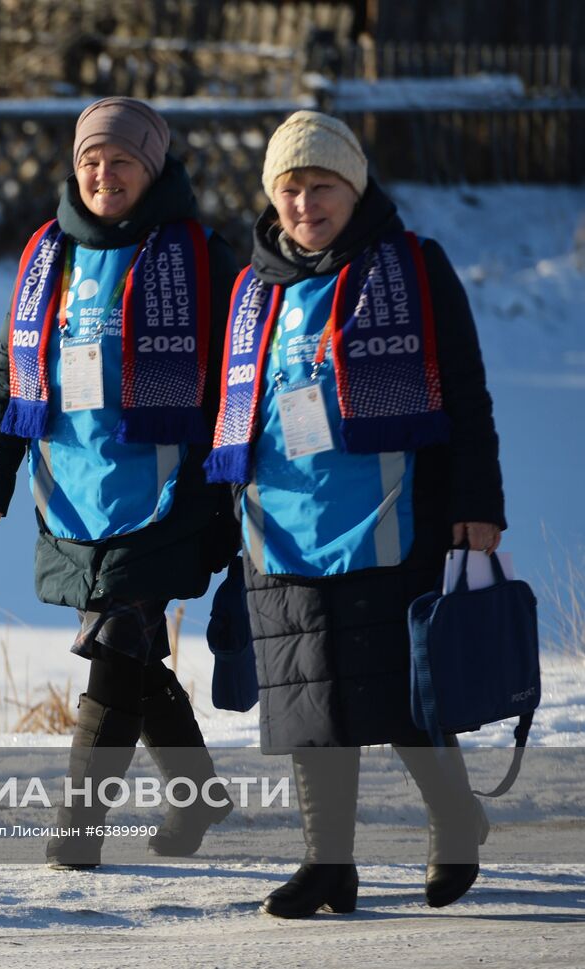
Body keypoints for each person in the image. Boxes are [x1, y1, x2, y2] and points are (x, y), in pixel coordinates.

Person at [205, 110, 505, 917]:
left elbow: (466, 392)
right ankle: (327, 863)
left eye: (322, 186)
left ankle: (455, 820)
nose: (305, 203)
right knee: (309, 703)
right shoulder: (252, 288)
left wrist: (478, 503)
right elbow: (231, 412)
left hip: (389, 514)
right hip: (280, 527)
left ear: (355, 187)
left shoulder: (412, 265)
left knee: (402, 692)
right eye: (290, 188)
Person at [0, 97, 241, 868]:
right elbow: (11, 371)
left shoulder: (203, 256)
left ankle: (76, 832)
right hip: (74, 491)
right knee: (134, 652)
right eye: (91, 160)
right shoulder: (48, 256)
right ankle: (199, 795)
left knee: (118, 643)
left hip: (168, 488)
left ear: (152, 170)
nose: (103, 175)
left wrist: (243, 484)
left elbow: (244, 375)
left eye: (121, 162)